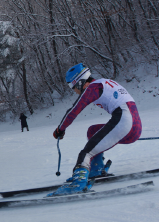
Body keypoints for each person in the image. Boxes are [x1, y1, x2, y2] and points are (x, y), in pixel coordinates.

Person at [48, 63, 142, 197]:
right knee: (92, 131)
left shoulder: (93, 87)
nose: (74, 91)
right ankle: (95, 170)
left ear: (80, 82)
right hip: (134, 126)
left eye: (72, 86)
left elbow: (74, 110)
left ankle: (78, 184)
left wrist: (60, 129)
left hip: (124, 121)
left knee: (86, 153)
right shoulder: (104, 82)